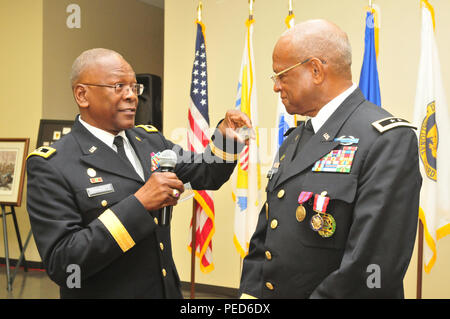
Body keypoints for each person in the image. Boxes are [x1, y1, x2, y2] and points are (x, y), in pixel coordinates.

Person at [26, 48, 250, 299]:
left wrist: (226, 139)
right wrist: (139, 203)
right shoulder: (52, 164)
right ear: (82, 95)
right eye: (119, 86)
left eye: (135, 87)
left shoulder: (149, 141)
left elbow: (206, 173)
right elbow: (64, 264)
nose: (132, 96)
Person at [239, 19, 422, 298]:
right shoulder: (295, 139)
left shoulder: (387, 139)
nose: (276, 87)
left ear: (315, 70)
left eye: (281, 75)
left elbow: (372, 267)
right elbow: (266, 234)